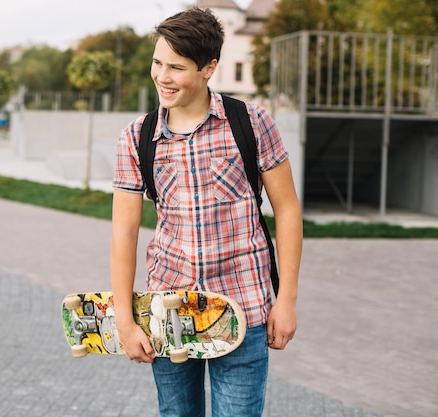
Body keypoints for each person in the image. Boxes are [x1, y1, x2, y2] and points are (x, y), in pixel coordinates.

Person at [110, 7, 303, 417]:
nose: (162, 76)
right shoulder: (137, 137)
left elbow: (287, 211)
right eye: (157, 62)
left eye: (176, 67)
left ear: (209, 67)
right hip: (169, 311)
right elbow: (124, 233)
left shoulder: (250, 123)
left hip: (244, 309)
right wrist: (125, 321)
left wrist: (285, 300)